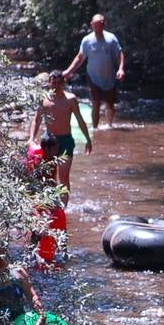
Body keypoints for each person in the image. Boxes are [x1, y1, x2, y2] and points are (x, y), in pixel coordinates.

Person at [28, 70, 92, 206]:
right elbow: (36, 120)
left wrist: (88, 139)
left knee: (63, 177)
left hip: (65, 141)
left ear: (63, 83)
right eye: (53, 82)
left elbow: (80, 120)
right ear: (49, 83)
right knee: (48, 176)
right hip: (48, 141)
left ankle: (62, 209)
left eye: (59, 82)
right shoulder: (43, 99)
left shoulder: (70, 99)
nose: (56, 85)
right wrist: (31, 138)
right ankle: (49, 205)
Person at [64, 13, 125, 129]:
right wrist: (69, 71)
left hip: (109, 77)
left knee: (110, 104)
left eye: (100, 25)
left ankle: (109, 125)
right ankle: (95, 128)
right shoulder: (87, 40)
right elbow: (80, 58)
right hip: (93, 77)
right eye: (95, 25)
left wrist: (121, 68)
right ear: (91, 25)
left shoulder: (111, 38)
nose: (98, 28)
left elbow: (119, 54)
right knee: (96, 103)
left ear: (104, 25)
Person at [24, 133, 68, 267]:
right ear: (47, 149)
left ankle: (63, 252)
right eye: (55, 148)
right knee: (38, 224)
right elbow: (30, 183)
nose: (57, 151)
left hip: (48, 194)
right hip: (36, 196)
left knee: (61, 217)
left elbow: (52, 180)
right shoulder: (37, 161)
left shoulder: (53, 159)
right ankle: (31, 255)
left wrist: (55, 200)